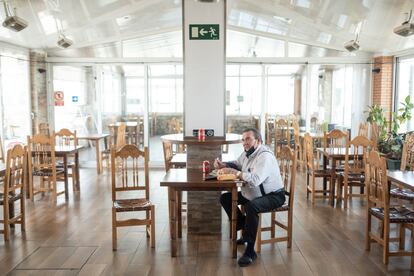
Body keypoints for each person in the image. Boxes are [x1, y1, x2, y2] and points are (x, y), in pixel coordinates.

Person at [215, 128, 285, 267]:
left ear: (258, 141)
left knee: (252, 207)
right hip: (253, 193)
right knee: (225, 198)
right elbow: (238, 163)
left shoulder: (264, 157)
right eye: (243, 139)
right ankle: (245, 226)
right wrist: (225, 164)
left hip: (273, 195)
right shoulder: (248, 153)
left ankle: (250, 251)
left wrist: (236, 173)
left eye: (248, 139)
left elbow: (255, 180)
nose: (244, 142)